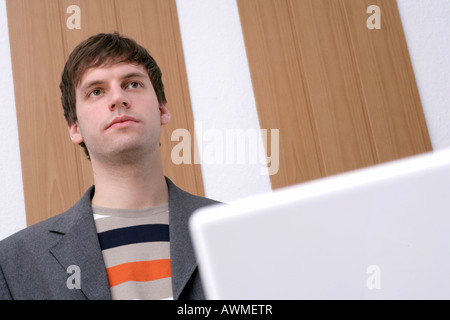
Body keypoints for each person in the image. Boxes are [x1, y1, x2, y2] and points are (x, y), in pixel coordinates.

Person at [0, 32, 218, 300]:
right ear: (75, 128)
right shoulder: (13, 264)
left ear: (162, 109)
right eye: (96, 91)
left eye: (133, 84)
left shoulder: (236, 232)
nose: (118, 98)